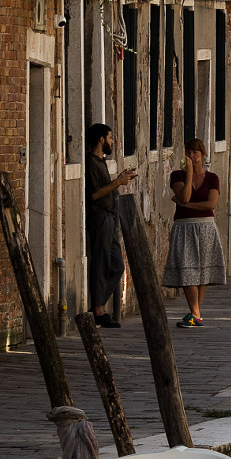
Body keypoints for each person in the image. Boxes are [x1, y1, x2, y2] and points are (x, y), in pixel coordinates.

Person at [164, 137, 224, 327]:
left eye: (195, 153)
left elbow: (211, 204)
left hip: (206, 226)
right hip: (184, 226)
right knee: (187, 268)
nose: (192, 156)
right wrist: (189, 173)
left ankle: (195, 314)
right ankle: (196, 313)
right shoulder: (177, 176)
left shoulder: (212, 178)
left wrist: (186, 204)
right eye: (189, 153)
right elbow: (185, 194)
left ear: (202, 154)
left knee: (201, 271)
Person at [84, 123, 134, 328]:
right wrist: (118, 183)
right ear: (101, 139)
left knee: (117, 265)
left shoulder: (101, 162)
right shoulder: (91, 163)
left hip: (109, 218)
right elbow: (95, 194)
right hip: (99, 218)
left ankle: (97, 306)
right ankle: (98, 310)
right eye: (110, 138)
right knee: (102, 263)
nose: (113, 142)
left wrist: (119, 179)